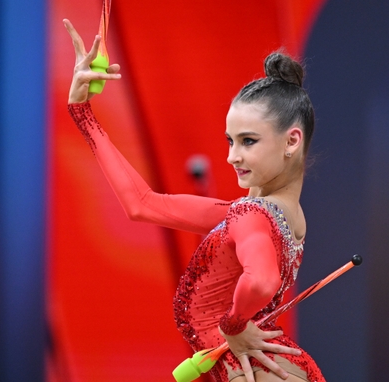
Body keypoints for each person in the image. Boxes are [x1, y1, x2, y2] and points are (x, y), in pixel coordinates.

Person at [63, 19, 323, 382]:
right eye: (230, 141)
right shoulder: (274, 214)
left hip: (252, 371)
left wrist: (233, 324)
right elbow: (143, 203)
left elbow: (261, 281)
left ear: (291, 141)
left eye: (248, 141)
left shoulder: (252, 215)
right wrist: (82, 113)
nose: (232, 156)